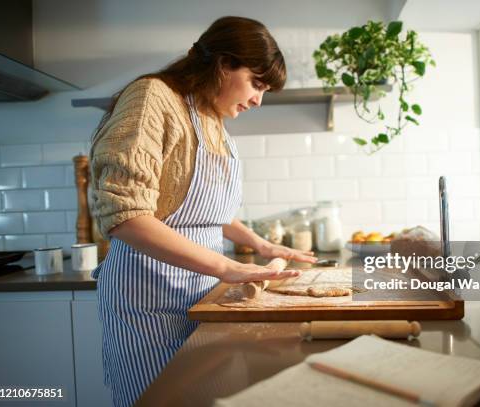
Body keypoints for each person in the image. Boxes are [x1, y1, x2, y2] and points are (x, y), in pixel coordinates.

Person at [89, 16, 317, 407]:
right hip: (150, 303)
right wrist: (225, 268)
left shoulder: (212, 120)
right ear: (224, 63)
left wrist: (264, 247)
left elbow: (209, 212)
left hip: (205, 296)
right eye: (257, 83)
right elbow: (125, 216)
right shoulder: (152, 98)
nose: (259, 100)